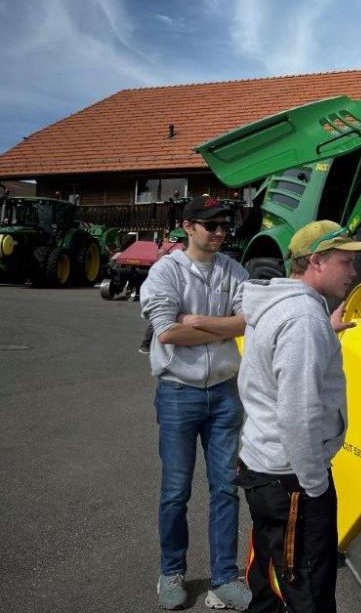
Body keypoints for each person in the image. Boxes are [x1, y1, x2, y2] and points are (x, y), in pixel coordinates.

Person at [235, 219, 361, 612]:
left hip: (266, 469)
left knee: (270, 580)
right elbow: (298, 415)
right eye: (346, 262)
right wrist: (314, 485)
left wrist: (324, 332)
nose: (354, 272)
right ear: (316, 261)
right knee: (306, 591)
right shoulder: (303, 321)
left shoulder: (286, 308)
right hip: (292, 480)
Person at [139, 195, 251, 611]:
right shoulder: (165, 272)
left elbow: (247, 320)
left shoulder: (234, 271)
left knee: (226, 487)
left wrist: (199, 322)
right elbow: (167, 332)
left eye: (225, 225)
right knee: (175, 490)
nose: (220, 232)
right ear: (188, 226)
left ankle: (223, 577)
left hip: (225, 393)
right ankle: (171, 572)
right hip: (178, 392)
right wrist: (223, 330)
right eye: (211, 225)